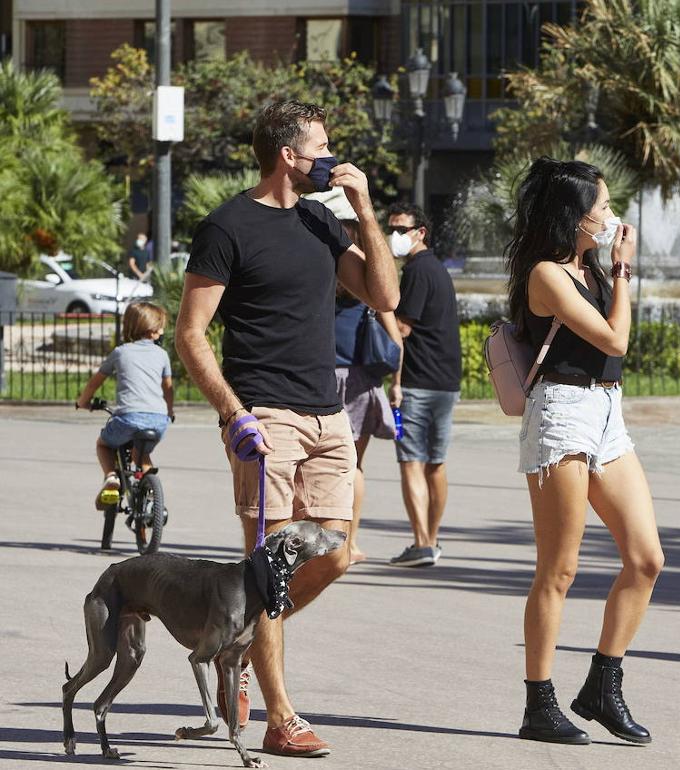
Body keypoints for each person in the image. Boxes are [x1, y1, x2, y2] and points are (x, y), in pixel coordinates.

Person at [175, 100, 398, 757]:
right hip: (263, 415)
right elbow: (190, 334)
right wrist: (232, 412)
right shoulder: (228, 227)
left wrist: (364, 212)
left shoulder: (322, 224)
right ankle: (281, 719)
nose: (332, 159)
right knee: (269, 565)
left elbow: (383, 297)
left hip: (327, 413)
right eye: (322, 148)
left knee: (333, 552)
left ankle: (235, 648)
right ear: (288, 156)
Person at [507, 158, 663, 745]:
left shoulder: (591, 272)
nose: (608, 214)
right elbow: (616, 338)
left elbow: (615, 351)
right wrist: (624, 270)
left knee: (646, 558)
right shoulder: (547, 276)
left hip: (607, 414)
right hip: (561, 417)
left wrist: (612, 271)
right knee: (559, 568)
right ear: (573, 215)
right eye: (600, 205)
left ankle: (602, 682)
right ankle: (538, 703)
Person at [388, 203, 463, 568]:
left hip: (418, 382)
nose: (394, 236)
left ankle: (422, 543)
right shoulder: (438, 269)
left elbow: (402, 329)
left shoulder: (417, 270)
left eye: (401, 229)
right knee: (435, 462)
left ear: (421, 233)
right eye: (392, 229)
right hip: (446, 381)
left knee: (412, 461)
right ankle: (431, 540)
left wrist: (395, 382)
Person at [333, 217, 403, 567]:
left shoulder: (319, 281)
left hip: (317, 378)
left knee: (312, 464)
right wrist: (397, 384)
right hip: (360, 380)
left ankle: (318, 543)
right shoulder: (366, 288)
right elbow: (396, 341)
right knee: (354, 465)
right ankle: (350, 543)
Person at [75, 302, 174, 506]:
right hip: (158, 420)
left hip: (128, 418)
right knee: (141, 453)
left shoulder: (120, 352)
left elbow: (95, 382)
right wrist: (169, 411)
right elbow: (168, 388)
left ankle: (111, 477)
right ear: (153, 331)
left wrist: (83, 402)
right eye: (160, 327)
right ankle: (154, 502)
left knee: (103, 444)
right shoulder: (162, 355)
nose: (163, 331)